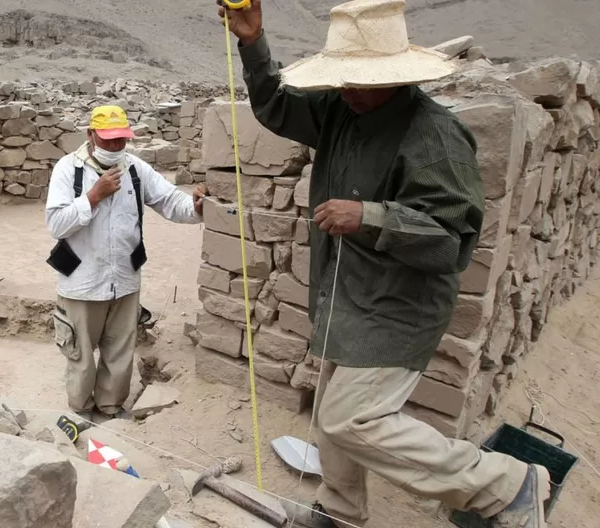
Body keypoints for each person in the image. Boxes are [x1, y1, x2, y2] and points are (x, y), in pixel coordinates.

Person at [219, 1, 549, 527]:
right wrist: (253, 42)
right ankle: (339, 510)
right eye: (342, 78)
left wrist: (370, 216)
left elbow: (450, 242)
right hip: (348, 292)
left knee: (350, 418)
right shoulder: (343, 109)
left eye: (360, 79)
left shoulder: (435, 139)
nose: (345, 89)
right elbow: (278, 108)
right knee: (333, 411)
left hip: (397, 307)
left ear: (395, 78)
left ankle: (506, 484)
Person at [46, 105, 208, 422]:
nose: (115, 147)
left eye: (121, 140)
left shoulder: (135, 169)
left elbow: (171, 201)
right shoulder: (68, 170)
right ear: (90, 135)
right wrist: (93, 196)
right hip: (82, 282)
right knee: (80, 355)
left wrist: (197, 204)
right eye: (108, 140)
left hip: (124, 279)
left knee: (119, 351)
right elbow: (57, 225)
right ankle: (80, 412)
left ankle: (110, 409)